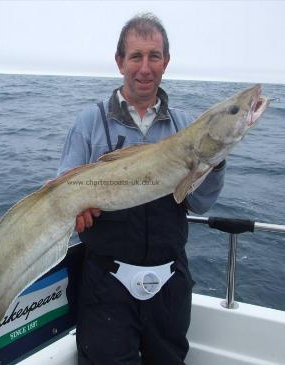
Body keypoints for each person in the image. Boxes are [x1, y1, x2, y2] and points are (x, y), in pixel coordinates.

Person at [57, 13, 225, 365]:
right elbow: (65, 194)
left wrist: (215, 161)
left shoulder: (185, 127)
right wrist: (78, 212)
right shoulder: (90, 122)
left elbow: (199, 203)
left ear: (166, 62)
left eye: (154, 56)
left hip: (170, 284)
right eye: (136, 56)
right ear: (120, 62)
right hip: (107, 286)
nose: (145, 67)